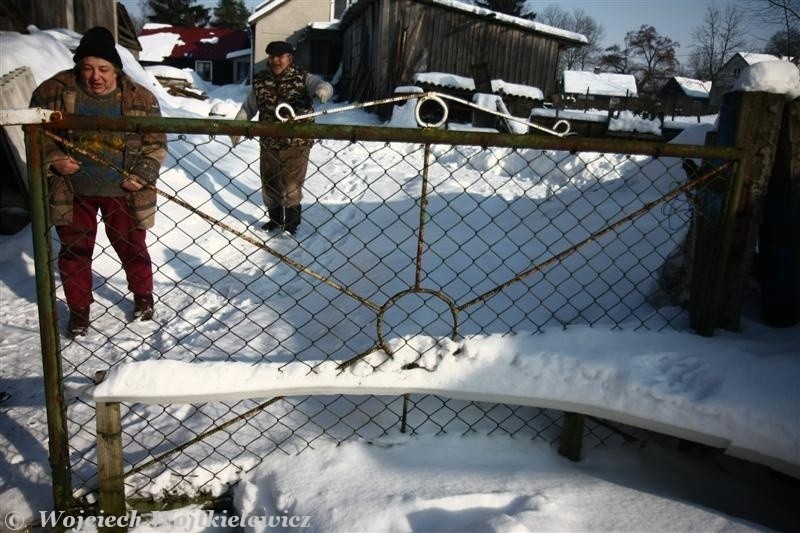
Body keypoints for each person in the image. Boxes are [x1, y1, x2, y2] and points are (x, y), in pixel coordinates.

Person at [29, 26, 167, 337]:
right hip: (72, 191)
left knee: (133, 248)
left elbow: (156, 144)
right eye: (88, 68)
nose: (96, 76)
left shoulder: (140, 97)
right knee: (74, 252)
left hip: (124, 191)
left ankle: (143, 298)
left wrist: (142, 175)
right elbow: (36, 137)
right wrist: (54, 159)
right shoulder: (52, 92)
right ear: (78, 67)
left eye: (104, 69)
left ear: (116, 69)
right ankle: (79, 312)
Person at [231, 40, 333, 235]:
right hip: (269, 141)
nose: (276, 60)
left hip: (296, 142)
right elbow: (249, 107)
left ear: (290, 58)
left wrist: (323, 91)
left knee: (291, 185)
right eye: (272, 57)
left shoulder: (302, 78)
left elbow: (322, 85)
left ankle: (292, 224)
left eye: (280, 57)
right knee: (270, 184)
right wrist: (237, 126)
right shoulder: (261, 81)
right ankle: (275, 220)